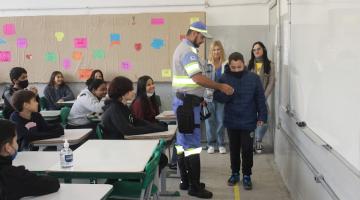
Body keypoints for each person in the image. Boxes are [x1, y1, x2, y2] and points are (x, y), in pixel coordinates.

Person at [172, 21, 234, 199]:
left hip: (186, 102)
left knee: (183, 143)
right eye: (201, 37)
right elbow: (198, 78)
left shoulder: (183, 48)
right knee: (192, 147)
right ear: (194, 34)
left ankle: (186, 182)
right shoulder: (188, 53)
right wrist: (220, 86)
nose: (202, 41)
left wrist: (200, 98)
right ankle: (195, 187)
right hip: (187, 105)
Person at [214, 52, 267, 190]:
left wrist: (262, 116)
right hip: (231, 121)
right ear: (229, 66)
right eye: (233, 67)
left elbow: (260, 99)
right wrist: (227, 94)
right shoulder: (223, 78)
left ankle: (247, 175)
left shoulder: (254, 78)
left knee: (248, 150)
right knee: (234, 149)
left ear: (244, 63)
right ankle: (235, 173)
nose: (236, 69)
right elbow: (217, 97)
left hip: (248, 121)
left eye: (239, 66)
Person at [0, 119, 60, 200]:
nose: (17, 144)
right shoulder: (12, 175)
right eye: (16, 141)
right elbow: (52, 184)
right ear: (8, 147)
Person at [101, 76, 167, 139]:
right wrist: (154, 129)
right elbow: (128, 130)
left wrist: (156, 126)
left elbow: (136, 121)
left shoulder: (122, 105)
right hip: (117, 145)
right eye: (130, 90)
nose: (133, 93)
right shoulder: (114, 109)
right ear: (123, 93)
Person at [248, 41, 275, 153]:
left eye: (258, 49)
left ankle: (259, 141)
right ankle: (251, 141)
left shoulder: (270, 64)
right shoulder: (249, 64)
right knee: (250, 120)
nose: (256, 51)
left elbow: (271, 82)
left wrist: (264, 96)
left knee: (264, 119)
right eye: (254, 50)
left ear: (263, 50)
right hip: (250, 98)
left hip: (262, 97)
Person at [203, 40, 227, 154]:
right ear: (211, 52)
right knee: (210, 121)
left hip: (222, 98)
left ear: (221, 50)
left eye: (218, 49)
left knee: (221, 121)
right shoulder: (206, 64)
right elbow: (202, 81)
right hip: (209, 97)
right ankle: (210, 144)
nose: (216, 51)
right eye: (214, 49)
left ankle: (221, 144)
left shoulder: (226, 64)